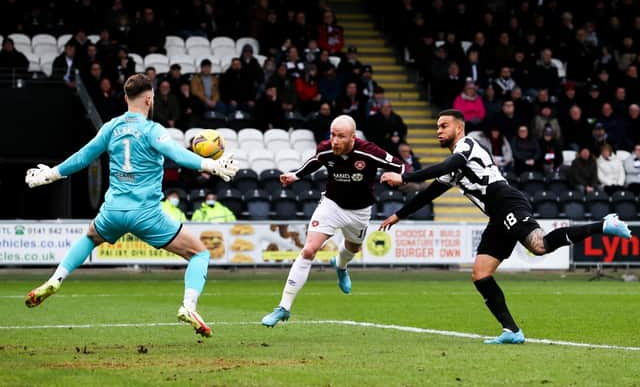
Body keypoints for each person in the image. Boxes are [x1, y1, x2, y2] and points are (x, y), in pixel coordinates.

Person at [378, 109, 631, 344]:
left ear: (459, 128)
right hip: (496, 215)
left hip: (506, 201)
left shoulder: (467, 146)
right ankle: (512, 331)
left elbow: (444, 168)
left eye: (444, 126)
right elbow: (430, 192)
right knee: (480, 274)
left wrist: (404, 177)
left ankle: (605, 224)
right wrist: (398, 215)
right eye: (437, 127)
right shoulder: (454, 164)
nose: (439, 131)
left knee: (540, 246)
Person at [23, 74, 239, 338]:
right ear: (149, 99)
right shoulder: (152, 130)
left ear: (126, 98)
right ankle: (188, 306)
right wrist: (211, 165)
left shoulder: (110, 128)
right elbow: (177, 154)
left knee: (91, 237)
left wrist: (51, 174)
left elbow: (83, 156)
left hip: (113, 210)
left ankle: (55, 280)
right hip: (146, 214)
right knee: (199, 254)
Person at [261, 115, 405, 327]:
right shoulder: (326, 149)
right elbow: (315, 161)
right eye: (332, 135)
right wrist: (295, 176)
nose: (335, 141)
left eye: (341, 136)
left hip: (360, 211)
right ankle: (283, 307)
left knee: (353, 248)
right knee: (309, 250)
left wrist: (398, 176)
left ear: (353, 138)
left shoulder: (369, 151)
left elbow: (400, 166)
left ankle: (340, 266)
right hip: (332, 205)